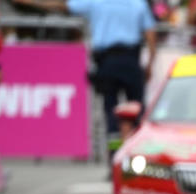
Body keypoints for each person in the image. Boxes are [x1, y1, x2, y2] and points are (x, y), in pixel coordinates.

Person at [17, 0, 156, 160]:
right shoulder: (137, 3)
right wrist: (150, 63)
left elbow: (61, 5)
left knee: (111, 116)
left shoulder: (97, 2)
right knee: (137, 113)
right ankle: (136, 159)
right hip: (131, 61)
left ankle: (115, 159)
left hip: (108, 62)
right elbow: (150, 34)